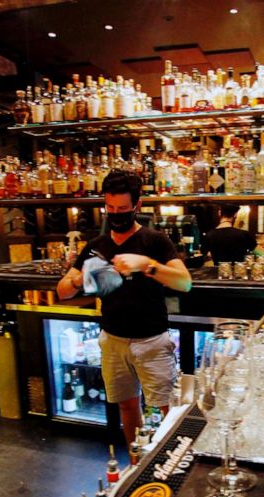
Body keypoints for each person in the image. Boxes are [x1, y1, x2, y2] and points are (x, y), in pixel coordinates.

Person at [57, 170, 192, 446]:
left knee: (167, 410)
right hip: (112, 341)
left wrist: (145, 264)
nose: (116, 214)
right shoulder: (96, 246)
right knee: (126, 407)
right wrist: (78, 280)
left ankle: (167, 462)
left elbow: (184, 282)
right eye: (110, 208)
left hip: (152, 341)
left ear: (137, 206)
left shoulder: (154, 241)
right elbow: (62, 291)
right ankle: (134, 460)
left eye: (123, 208)